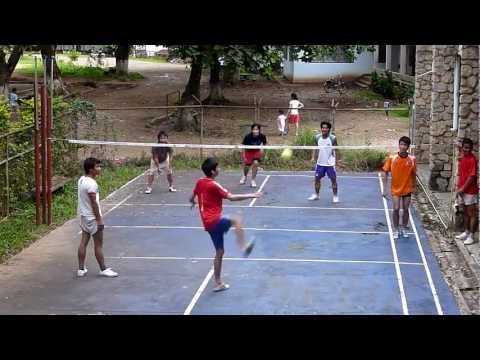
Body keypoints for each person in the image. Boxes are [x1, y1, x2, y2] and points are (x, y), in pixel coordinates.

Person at [190, 158, 260, 292]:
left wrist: (192, 201)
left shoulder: (200, 182)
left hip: (207, 224)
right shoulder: (213, 185)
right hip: (214, 220)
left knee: (220, 252)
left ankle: (218, 282)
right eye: (217, 167)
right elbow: (231, 197)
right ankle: (244, 247)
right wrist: (252, 194)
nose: (219, 169)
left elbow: (192, 195)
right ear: (212, 171)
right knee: (236, 219)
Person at [77, 157, 118, 277]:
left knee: (83, 242)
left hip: (83, 216)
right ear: (91, 169)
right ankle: (103, 269)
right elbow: (94, 203)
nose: (100, 169)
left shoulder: (81, 180)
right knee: (98, 244)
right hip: (92, 218)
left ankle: (81, 269)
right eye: (97, 167)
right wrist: (99, 219)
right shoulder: (91, 184)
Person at [382, 136, 416, 240]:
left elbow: (414, 174)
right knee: (396, 209)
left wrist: (414, 187)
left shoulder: (412, 159)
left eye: (405, 145)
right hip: (395, 189)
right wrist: (385, 189)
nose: (402, 147)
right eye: (401, 144)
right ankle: (396, 229)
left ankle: (404, 228)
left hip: (407, 189)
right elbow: (385, 172)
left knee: (406, 209)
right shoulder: (392, 158)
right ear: (399, 145)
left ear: (408, 147)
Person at [308, 121, 339, 203]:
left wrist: (337, 161)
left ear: (329, 129)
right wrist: (312, 157)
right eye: (322, 127)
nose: (324, 129)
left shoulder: (333, 138)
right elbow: (314, 148)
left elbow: (336, 150)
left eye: (326, 128)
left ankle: (335, 196)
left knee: (333, 179)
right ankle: (316, 195)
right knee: (317, 179)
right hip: (320, 163)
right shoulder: (317, 137)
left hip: (330, 163)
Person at [455, 138, 478, 245]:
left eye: (469, 148)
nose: (466, 150)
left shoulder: (473, 159)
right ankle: (466, 231)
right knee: (464, 212)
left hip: (470, 191)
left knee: (471, 213)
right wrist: (458, 145)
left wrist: (463, 189)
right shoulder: (463, 156)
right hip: (461, 190)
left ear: (472, 148)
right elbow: (459, 147)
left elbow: (472, 177)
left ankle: (472, 236)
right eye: (465, 148)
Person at [240, 124, 267, 188]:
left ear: (259, 130)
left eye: (257, 129)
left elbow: (265, 144)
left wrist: (262, 149)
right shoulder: (248, 136)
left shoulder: (262, 136)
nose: (255, 131)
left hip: (256, 152)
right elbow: (243, 146)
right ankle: (244, 176)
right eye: (254, 129)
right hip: (248, 152)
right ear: (252, 130)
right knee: (247, 166)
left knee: (256, 163)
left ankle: (253, 180)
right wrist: (243, 155)